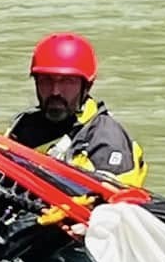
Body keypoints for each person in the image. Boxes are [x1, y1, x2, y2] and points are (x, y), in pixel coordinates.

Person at [8, 32, 146, 187]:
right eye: (46, 80)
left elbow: (112, 198)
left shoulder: (107, 140)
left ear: (87, 86)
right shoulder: (23, 126)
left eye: (67, 81)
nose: (55, 91)